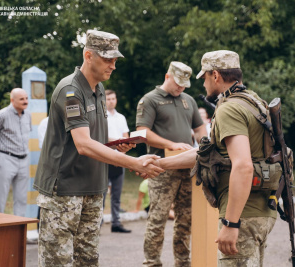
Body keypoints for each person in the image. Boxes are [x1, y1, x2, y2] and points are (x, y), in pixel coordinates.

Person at [33, 30, 163, 267]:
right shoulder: (70, 90)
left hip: (93, 187)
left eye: (115, 60)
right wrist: (133, 162)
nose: (113, 66)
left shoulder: (100, 89)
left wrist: (116, 149)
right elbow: (82, 144)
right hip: (64, 190)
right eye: (107, 59)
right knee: (57, 262)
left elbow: (92, 141)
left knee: (88, 261)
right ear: (88, 55)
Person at [149, 50, 280, 266]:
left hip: (243, 214)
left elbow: (243, 166)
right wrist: (160, 163)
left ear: (216, 75)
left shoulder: (229, 109)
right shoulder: (253, 101)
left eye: (205, 78)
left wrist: (231, 223)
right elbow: (207, 154)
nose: (204, 85)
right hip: (262, 208)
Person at [136, 61, 207, 266]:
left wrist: (203, 146)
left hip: (188, 167)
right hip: (161, 168)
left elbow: (200, 128)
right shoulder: (150, 100)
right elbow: (142, 133)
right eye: (178, 83)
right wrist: (172, 144)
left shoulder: (188, 100)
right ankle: (152, 262)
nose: (181, 88)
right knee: (157, 220)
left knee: (185, 220)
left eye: (185, 84)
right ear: (167, 77)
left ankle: (182, 262)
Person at [0, 88, 31, 216]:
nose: (25, 101)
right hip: (6, 158)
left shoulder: (28, 114)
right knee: (0, 198)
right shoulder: (2, 115)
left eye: (26, 98)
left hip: (23, 159)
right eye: (21, 99)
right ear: (12, 100)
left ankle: (19, 232)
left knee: (22, 199)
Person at [103, 89, 131, 233]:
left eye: (113, 99)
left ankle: (116, 223)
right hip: (103, 158)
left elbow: (125, 138)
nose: (111, 101)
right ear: (104, 100)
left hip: (119, 159)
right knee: (101, 193)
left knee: (116, 194)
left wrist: (121, 154)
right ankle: (97, 223)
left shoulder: (121, 117)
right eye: (108, 99)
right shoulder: (101, 116)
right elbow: (102, 138)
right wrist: (117, 144)